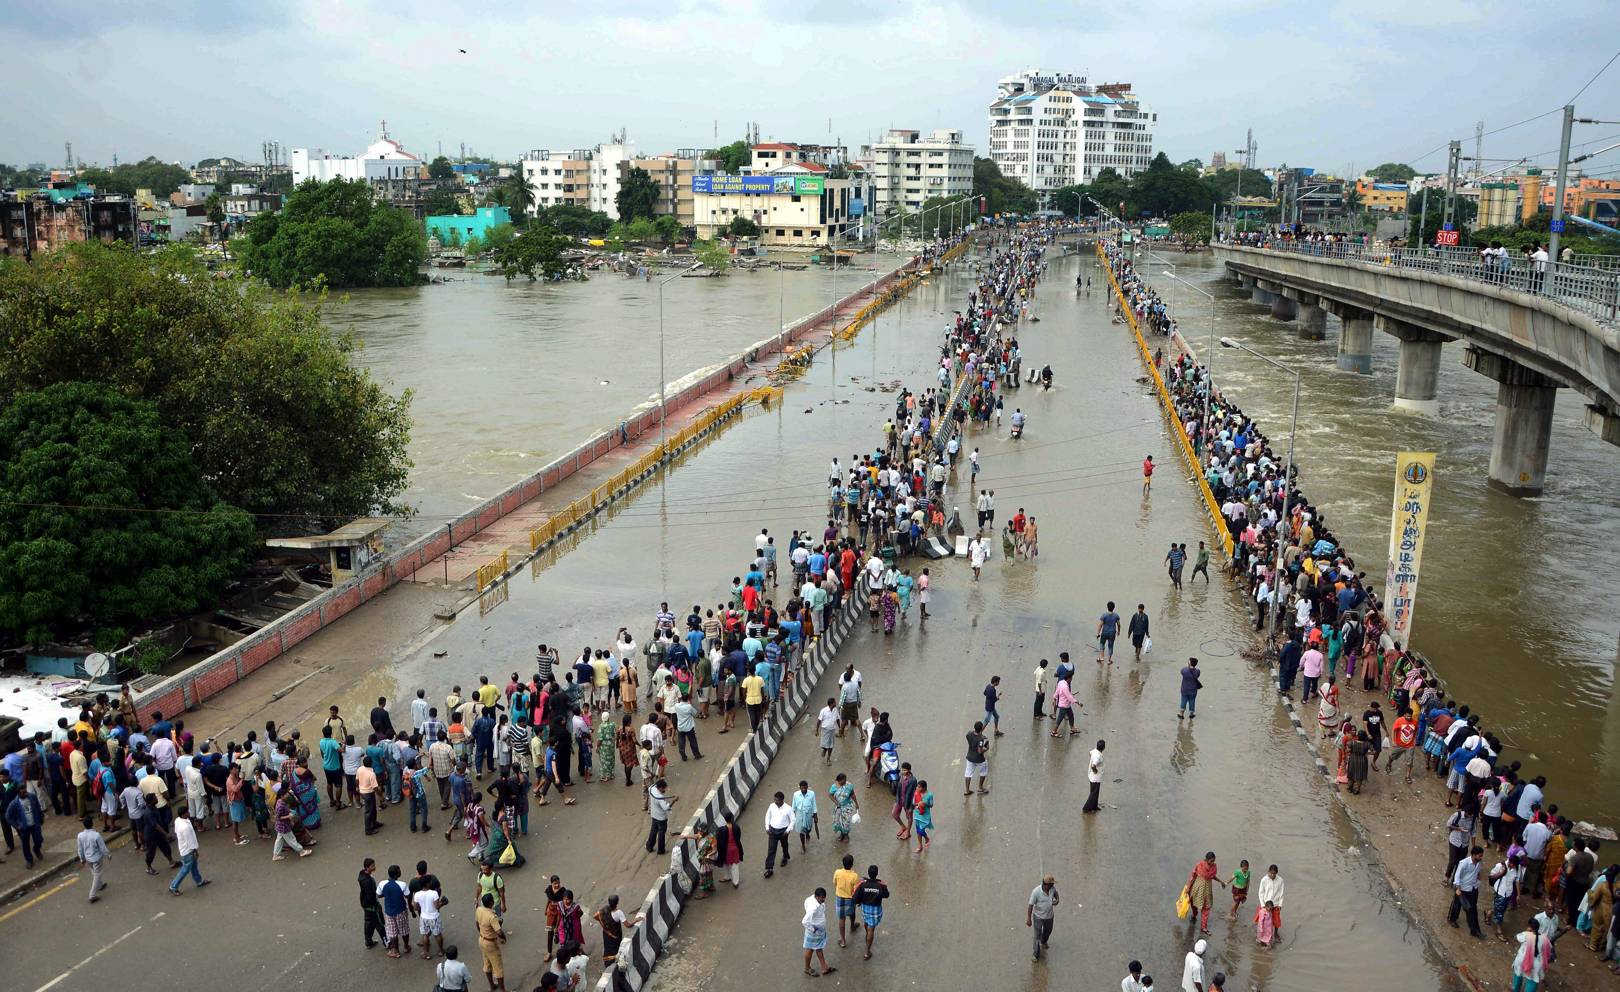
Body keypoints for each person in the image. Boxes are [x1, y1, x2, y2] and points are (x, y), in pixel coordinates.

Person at [1449, 845, 1485, 938]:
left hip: (1473, 888)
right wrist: (1458, 888)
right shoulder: (1464, 863)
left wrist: (1478, 878)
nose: (1481, 858)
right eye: (1479, 856)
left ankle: (1474, 930)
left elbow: (1477, 872)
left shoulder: (1478, 863)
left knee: (1472, 910)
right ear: (1473, 855)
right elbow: (1457, 876)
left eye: (1481, 856)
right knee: (1457, 905)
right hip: (1463, 889)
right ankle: (1452, 919)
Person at [167, 811, 207, 895]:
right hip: (188, 851)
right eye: (187, 812)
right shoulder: (185, 827)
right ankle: (173, 886)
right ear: (183, 814)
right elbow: (190, 841)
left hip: (184, 849)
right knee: (185, 869)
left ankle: (199, 881)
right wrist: (195, 851)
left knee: (194, 867)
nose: (189, 813)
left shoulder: (178, 820)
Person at [855, 865, 889, 960]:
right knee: (871, 929)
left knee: (867, 923)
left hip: (865, 909)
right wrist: (883, 885)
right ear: (877, 874)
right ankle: (867, 952)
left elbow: (856, 897)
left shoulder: (863, 884)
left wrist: (859, 901)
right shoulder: (880, 885)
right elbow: (886, 895)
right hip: (875, 911)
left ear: (868, 874)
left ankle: (867, 933)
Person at [1184, 852, 1224, 935]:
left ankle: (1204, 927)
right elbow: (1193, 876)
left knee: (1206, 908)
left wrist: (1221, 881)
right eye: (1211, 861)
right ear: (1207, 859)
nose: (1213, 863)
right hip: (1198, 887)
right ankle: (1194, 915)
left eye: (1214, 861)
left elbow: (1213, 876)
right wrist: (1188, 887)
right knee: (1194, 904)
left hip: (1207, 889)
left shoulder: (1214, 867)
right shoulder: (1199, 865)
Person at [476, 892, 507, 991]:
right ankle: (502, 989)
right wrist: (503, 937)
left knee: (487, 964)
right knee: (497, 966)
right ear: (491, 903)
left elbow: (477, 923)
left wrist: (482, 933)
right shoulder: (492, 916)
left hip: (481, 940)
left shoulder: (479, 909)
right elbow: (499, 932)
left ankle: (492, 986)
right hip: (490, 943)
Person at [379, 863, 411, 958]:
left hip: (389, 912)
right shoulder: (402, 884)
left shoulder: (382, 883)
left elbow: (379, 895)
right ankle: (406, 946)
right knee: (404, 929)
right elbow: (408, 896)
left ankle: (396, 951)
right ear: (397, 874)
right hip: (401, 910)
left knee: (392, 932)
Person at [802, 887, 835, 977]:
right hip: (814, 932)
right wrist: (813, 929)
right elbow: (804, 921)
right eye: (822, 898)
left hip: (818, 931)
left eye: (824, 897)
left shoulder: (810, 899)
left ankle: (824, 967)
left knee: (818, 947)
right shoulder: (814, 907)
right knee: (810, 949)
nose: (824, 899)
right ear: (816, 897)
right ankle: (807, 968)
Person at [1511, 919, 1551, 992]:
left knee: (1518, 975)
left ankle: (1515, 990)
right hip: (1537, 964)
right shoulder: (1545, 938)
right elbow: (1548, 950)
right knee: (1532, 980)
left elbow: (1515, 938)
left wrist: (1527, 931)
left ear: (1529, 927)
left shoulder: (1526, 934)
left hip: (1522, 960)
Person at [1028, 874, 1059, 962]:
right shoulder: (1036, 892)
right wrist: (1029, 919)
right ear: (1046, 884)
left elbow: (1056, 893)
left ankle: (1044, 941)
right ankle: (1035, 955)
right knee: (1037, 936)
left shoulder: (1052, 889)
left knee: (1048, 931)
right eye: (1051, 884)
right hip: (1038, 917)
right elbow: (1030, 905)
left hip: (1049, 916)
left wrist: (1057, 900)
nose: (1053, 885)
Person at [833, 853, 861, 947]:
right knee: (852, 913)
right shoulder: (854, 876)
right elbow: (856, 889)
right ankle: (852, 926)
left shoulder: (837, 872)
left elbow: (835, 883)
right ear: (852, 864)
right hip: (850, 898)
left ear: (843, 863)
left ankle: (843, 940)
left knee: (842, 919)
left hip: (840, 898)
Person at [764, 791, 794, 877]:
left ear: (782, 800)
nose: (775, 801)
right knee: (771, 850)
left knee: (784, 845)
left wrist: (788, 830)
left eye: (777, 800)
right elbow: (767, 816)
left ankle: (785, 857)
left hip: (783, 832)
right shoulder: (771, 806)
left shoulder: (788, 808)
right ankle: (769, 868)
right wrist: (767, 827)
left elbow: (793, 820)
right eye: (775, 799)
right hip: (772, 831)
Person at [1256, 864, 1285, 936]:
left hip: (1275, 904)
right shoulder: (1264, 880)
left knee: (1276, 920)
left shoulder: (1280, 880)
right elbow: (1261, 893)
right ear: (1268, 872)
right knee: (1263, 920)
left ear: (1276, 873)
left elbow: (1281, 893)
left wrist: (1280, 905)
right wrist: (1263, 905)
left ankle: (1276, 933)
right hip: (1266, 904)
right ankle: (1262, 933)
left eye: (1274, 873)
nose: (1272, 875)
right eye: (1271, 873)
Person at [828, 772, 859, 840]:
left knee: (846, 821)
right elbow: (830, 795)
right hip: (838, 807)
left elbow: (852, 794)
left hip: (847, 807)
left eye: (845, 779)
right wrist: (836, 802)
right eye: (843, 780)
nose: (845, 781)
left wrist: (856, 803)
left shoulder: (849, 786)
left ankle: (846, 834)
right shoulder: (834, 787)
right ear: (839, 780)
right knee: (838, 821)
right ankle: (842, 834)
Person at [792, 780, 819, 853]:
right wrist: (792, 817)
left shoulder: (812, 794)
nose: (804, 789)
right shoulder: (795, 794)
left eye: (805, 787)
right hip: (800, 815)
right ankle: (803, 846)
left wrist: (815, 816)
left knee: (808, 828)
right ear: (800, 787)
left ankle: (807, 834)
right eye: (802, 788)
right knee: (801, 832)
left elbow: (814, 805)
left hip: (808, 814)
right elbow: (793, 806)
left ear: (807, 787)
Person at [964, 722, 990, 795]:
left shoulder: (969, 734)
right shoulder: (980, 739)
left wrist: (971, 743)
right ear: (981, 729)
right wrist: (986, 748)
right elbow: (979, 751)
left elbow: (967, 736)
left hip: (969, 757)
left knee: (968, 773)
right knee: (983, 771)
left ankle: (967, 790)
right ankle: (980, 788)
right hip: (979, 759)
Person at [1083, 740, 1106, 812]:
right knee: (1094, 793)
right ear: (1103, 748)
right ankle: (1086, 808)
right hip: (1095, 777)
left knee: (1095, 792)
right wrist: (1095, 770)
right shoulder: (1098, 756)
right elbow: (1093, 766)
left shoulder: (1095, 751)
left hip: (1093, 776)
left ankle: (1094, 806)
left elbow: (1090, 753)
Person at [911, 780, 934, 854]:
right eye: (917, 786)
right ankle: (920, 845)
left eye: (919, 787)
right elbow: (913, 803)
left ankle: (927, 838)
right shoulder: (916, 793)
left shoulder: (930, 795)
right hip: (917, 815)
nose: (917, 788)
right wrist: (918, 803)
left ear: (924, 788)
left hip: (925, 816)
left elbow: (931, 805)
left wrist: (925, 803)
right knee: (918, 830)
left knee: (921, 830)